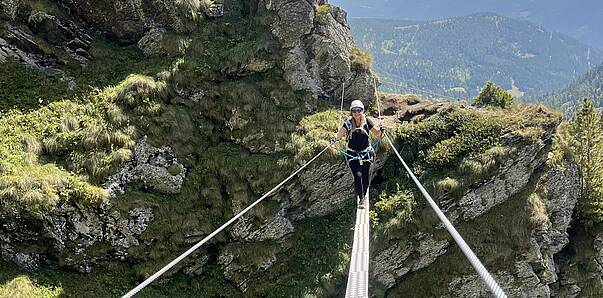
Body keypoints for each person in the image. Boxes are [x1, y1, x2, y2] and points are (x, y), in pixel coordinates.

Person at [330, 100, 385, 209]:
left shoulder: (367, 122)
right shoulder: (348, 123)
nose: (356, 113)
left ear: (362, 111)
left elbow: (377, 134)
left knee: (365, 175)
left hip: (365, 153)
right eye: (354, 110)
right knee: (358, 175)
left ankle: (363, 194)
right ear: (351, 112)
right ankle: (361, 198)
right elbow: (340, 134)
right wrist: (334, 138)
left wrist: (382, 130)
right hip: (352, 154)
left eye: (359, 110)